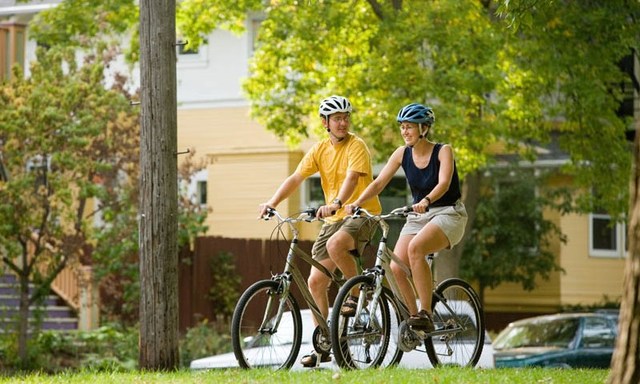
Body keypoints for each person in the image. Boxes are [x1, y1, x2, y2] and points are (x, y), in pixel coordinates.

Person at [258, 95, 382, 367]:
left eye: (346, 117)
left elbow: (352, 178)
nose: (343, 122)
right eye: (337, 118)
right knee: (315, 282)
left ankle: (356, 291)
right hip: (333, 219)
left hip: (361, 214)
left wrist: (337, 202)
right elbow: (295, 178)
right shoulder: (319, 149)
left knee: (338, 245)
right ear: (325, 122)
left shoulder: (356, 145)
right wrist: (272, 202)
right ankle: (323, 342)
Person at [345, 103, 467, 332]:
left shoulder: (443, 150)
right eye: (402, 127)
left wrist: (426, 201)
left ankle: (426, 313)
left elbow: (444, 183)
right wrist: (357, 203)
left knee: (416, 249)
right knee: (396, 268)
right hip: (418, 216)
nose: (405, 132)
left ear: (424, 129)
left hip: (448, 213)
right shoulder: (402, 153)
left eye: (409, 127)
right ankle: (415, 320)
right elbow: (379, 182)